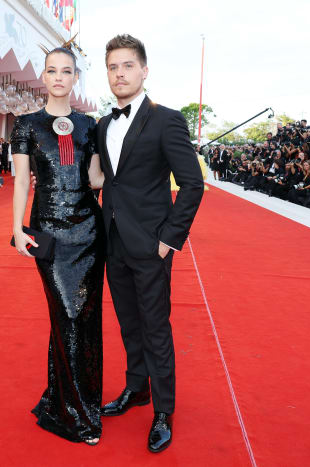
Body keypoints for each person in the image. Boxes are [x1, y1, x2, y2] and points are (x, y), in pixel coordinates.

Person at [96, 35, 204, 453]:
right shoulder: (105, 124)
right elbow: (110, 180)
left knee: (156, 327)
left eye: (126, 66)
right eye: (112, 67)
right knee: (128, 322)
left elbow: (192, 183)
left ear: (144, 70)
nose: (119, 74)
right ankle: (136, 388)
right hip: (115, 242)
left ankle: (163, 410)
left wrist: (169, 240)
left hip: (152, 243)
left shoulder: (167, 120)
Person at [12, 45, 106, 446]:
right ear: (44, 76)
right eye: (52, 71)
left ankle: (71, 402)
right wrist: (17, 228)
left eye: (66, 71)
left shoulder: (90, 125)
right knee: (66, 312)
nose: (59, 78)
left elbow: (97, 180)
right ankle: (76, 413)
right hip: (48, 230)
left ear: (75, 78)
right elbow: (20, 181)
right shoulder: (25, 125)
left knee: (85, 317)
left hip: (88, 230)